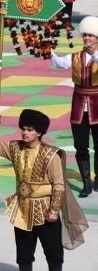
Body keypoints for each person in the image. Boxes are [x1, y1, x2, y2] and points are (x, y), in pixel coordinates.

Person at [0, 110, 88, 271]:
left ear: (39, 133)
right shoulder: (15, 148)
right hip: (22, 209)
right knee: (23, 251)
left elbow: (58, 184)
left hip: (45, 209)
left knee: (53, 253)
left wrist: (53, 210)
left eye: (29, 130)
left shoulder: (51, 155)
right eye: (23, 129)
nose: (25, 133)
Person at [51, 16, 98, 198]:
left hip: (97, 103)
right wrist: (50, 53)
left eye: (91, 36)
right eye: (85, 35)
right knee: (81, 146)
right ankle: (86, 182)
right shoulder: (76, 56)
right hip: (79, 106)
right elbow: (61, 64)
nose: (87, 39)